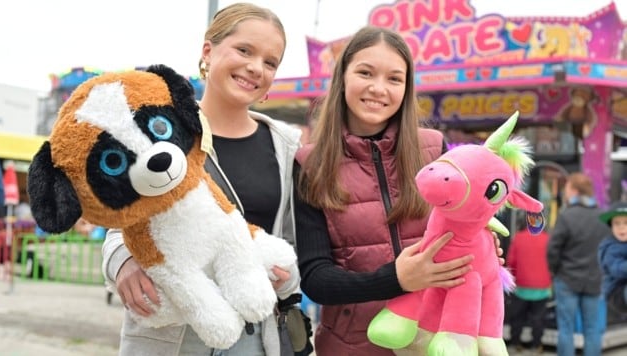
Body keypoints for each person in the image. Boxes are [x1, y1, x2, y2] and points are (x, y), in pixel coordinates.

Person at [101, 3, 303, 355]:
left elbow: (290, 238)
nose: (256, 67)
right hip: (170, 333)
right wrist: (123, 263)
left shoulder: (285, 145)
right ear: (208, 51)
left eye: (270, 62)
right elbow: (119, 220)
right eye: (244, 50)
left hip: (253, 336)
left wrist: (285, 276)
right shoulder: (161, 129)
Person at [294, 26, 476, 355]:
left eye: (394, 78)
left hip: (434, 340)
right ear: (343, 77)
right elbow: (315, 278)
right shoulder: (310, 163)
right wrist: (396, 278)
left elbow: (465, 224)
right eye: (366, 73)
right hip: (350, 346)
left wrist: (484, 245)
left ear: (406, 88)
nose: (379, 89)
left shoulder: (434, 150)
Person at [547, 172, 609, 356]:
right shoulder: (602, 217)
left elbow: (553, 249)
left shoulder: (567, 216)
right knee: (592, 330)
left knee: (566, 329)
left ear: (574, 191)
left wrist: (555, 271)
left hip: (567, 280)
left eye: (566, 189)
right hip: (594, 281)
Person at [505, 212, 551, 354]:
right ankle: (536, 346)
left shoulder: (518, 238)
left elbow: (510, 262)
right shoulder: (548, 239)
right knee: (538, 319)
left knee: (517, 317)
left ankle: (514, 344)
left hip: (521, 286)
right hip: (542, 288)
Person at [598, 201, 627, 315]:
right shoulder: (610, 248)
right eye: (617, 223)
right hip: (616, 292)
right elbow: (616, 268)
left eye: (625, 223)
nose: (621, 227)